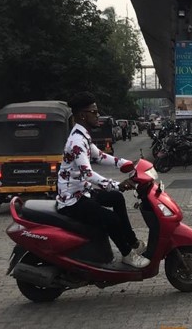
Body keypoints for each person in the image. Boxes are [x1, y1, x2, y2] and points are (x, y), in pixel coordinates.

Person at [56, 92, 149, 268]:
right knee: (111, 218)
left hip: (82, 192)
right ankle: (127, 254)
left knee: (116, 198)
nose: (98, 115)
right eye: (94, 111)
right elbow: (88, 174)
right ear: (83, 115)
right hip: (72, 200)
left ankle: (133, 243)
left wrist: (129, 164)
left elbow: (100, 156)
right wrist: (116, 184)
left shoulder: (82, 135)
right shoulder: (76, 141)